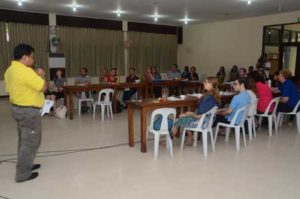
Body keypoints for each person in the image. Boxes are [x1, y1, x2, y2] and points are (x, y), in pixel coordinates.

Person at [4, 44, 47, 182]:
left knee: (24, 139)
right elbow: (43, 87)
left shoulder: (10, 70)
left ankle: (26, 164)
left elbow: (11, 90)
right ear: (24, 57)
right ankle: (23, 174)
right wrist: (41, 76)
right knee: (30, 142)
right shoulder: (25, 71)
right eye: (32, 57)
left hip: (17, 109)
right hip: (28, 111)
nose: (33, 60)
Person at [171, 77, 219, 145]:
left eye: (206, 82)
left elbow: (200, 115)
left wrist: (189, 114)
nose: (203, 83)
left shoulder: (209, 98)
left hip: (203, 122)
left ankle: (170, 140)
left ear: (211, 84)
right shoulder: (212, 95)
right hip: (207, 120)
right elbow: (202, 112)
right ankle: (190, 137)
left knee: (180, 119)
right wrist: (189, 113)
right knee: (182, 117)